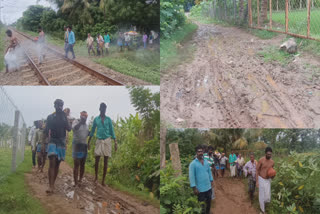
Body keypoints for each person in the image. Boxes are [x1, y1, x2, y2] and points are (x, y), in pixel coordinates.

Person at [45, 99, 71, 194]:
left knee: (57, 164)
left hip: (61, 142)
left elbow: (69, 129)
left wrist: (68, 120)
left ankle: (53, 184)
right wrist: (45, 143)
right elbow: (46, 130)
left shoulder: (64, 117)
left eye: (61, 105)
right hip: (52, 141)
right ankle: (50, 186)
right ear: (54, 106)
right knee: (52, 162)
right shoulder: (50, 117)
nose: (59, 107)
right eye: (58, 105)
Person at [88, 103, 117, 186]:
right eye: (102, 108)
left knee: (106, 161)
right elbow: (93, 130)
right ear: (99, 109)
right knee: (97, 159)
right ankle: (96, 177)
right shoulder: (96, 119)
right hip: (99, 140)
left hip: (107, 140)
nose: (103, 110)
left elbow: (112, 131)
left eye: (104, 108)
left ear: (106, 109)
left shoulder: (108, 119)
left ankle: (103, 180)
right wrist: (89, 141)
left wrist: (115, 142)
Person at [189, 145, 214, 214]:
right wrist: (194, 188)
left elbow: (209, 171)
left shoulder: (206, 162)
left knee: (209, 202)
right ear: (196, 153)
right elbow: (192, 176)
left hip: (208, 187)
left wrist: (211, 180)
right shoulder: (193, 164)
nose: (200, 153)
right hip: (200, 189)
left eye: (201, 151)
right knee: (202, 205)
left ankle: (208, 212)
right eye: (198, 151)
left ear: (203, 152)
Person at [72, 111, 89, 187]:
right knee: (76, 164)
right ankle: (75, 182)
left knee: (82, 164)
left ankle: (80, 179)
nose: (84, 118)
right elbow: (74, 128)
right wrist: (80, 122)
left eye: (86, 117)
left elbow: (87, 134)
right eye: (83, 117)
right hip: (77, 145)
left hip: (84, 145)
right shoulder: (76, 121)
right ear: (80, 116)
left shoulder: (86, 125)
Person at [256, 147, 275, 214]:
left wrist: (273, 176)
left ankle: (263, 206)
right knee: (261, 195)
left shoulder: (272, 162)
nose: (269, 155)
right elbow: (257, 170)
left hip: (268, 180)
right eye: (268, 154)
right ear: (265, 153)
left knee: (267, 197)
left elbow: (272, 172)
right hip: (261, 178)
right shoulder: (261, 160)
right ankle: (262, 211)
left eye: (270, 154)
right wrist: (257, 181)